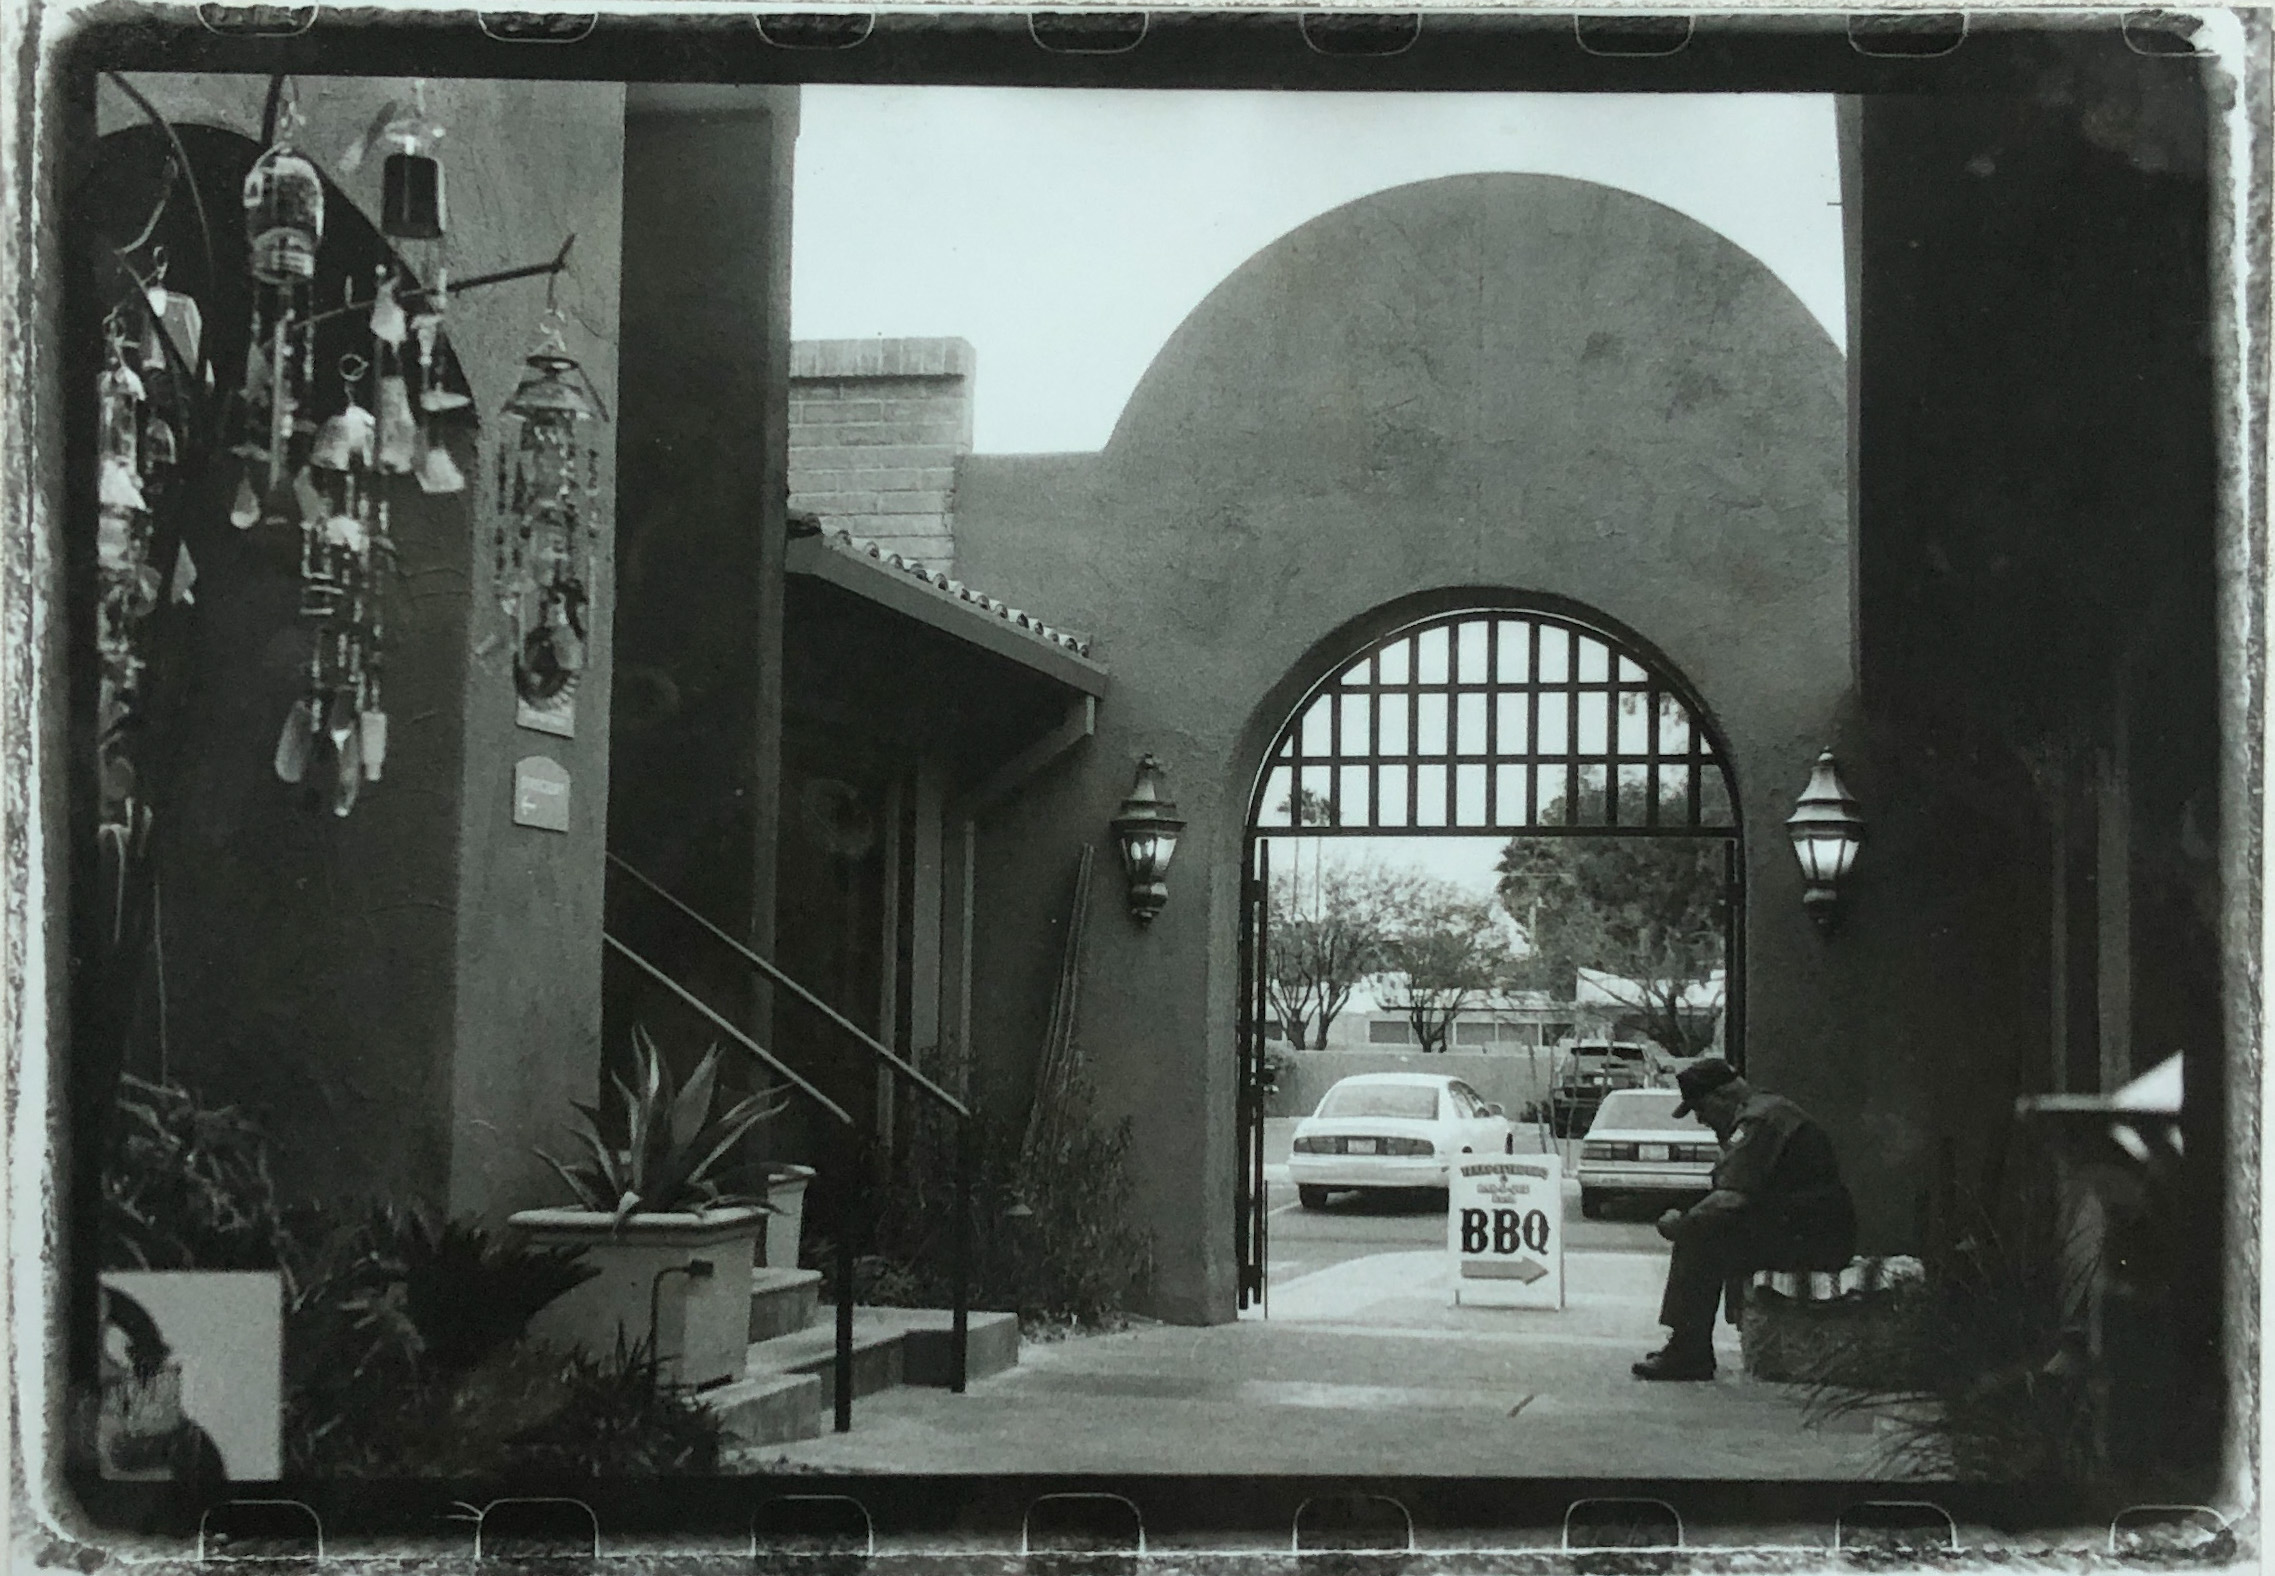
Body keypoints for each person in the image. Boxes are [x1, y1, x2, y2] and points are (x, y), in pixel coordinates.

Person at [1631, 1058, 1856, 1381]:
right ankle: (1686, 1345)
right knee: (1702, 1226)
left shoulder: (1758, 1121)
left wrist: (1680, 1223)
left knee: (1699, 1236)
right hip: (1812, 1230)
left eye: (1701, 1109)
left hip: (1814, 1238)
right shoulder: (1768, 1110)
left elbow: (1732, 1197)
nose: (1701, 1119)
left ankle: (1687, 1351)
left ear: (1721, 1097)